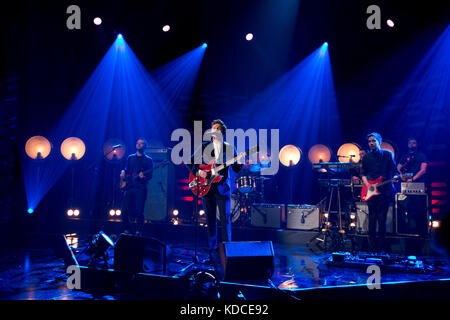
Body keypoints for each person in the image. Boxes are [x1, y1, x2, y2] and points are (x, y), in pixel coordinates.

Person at [190, 119, 243, 260]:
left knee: (225, 220)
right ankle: (212, 251)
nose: (215, 131)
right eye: (213, 128)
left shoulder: (229, 148)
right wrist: (198, 172)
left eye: (218, 128)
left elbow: (237, 168)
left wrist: (241, 161)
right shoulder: (204, 146)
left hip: (222, 188)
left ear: (222, 132)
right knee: (210, 220)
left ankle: (227, 251)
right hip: (206, 188)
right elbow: (191, 162)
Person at [361, 132, 400, 253]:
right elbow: (362, 173)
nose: (371, 143)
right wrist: (368, 185)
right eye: (369, 141)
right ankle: (372, 248)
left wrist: (396, 177)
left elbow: (395, 171)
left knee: (382, 219)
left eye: (373, 141)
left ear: (379, 142)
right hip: (371, 191)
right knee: (372, 219)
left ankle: (381, 247)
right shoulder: (366, 157)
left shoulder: (388, 154)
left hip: (385, 191)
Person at [120, 138, 153, 236]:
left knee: (139, 211)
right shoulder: (130, 157)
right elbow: (126, 169)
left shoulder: (148, 160)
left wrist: (144, 177)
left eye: (141, 143)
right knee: (123, 211)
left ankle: (138, 232)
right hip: (129, 187)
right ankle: (128, 230)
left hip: (140, 188)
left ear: (145, 146)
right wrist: (123, 171)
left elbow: (150, 175)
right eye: (138, 143)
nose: (139, 145)